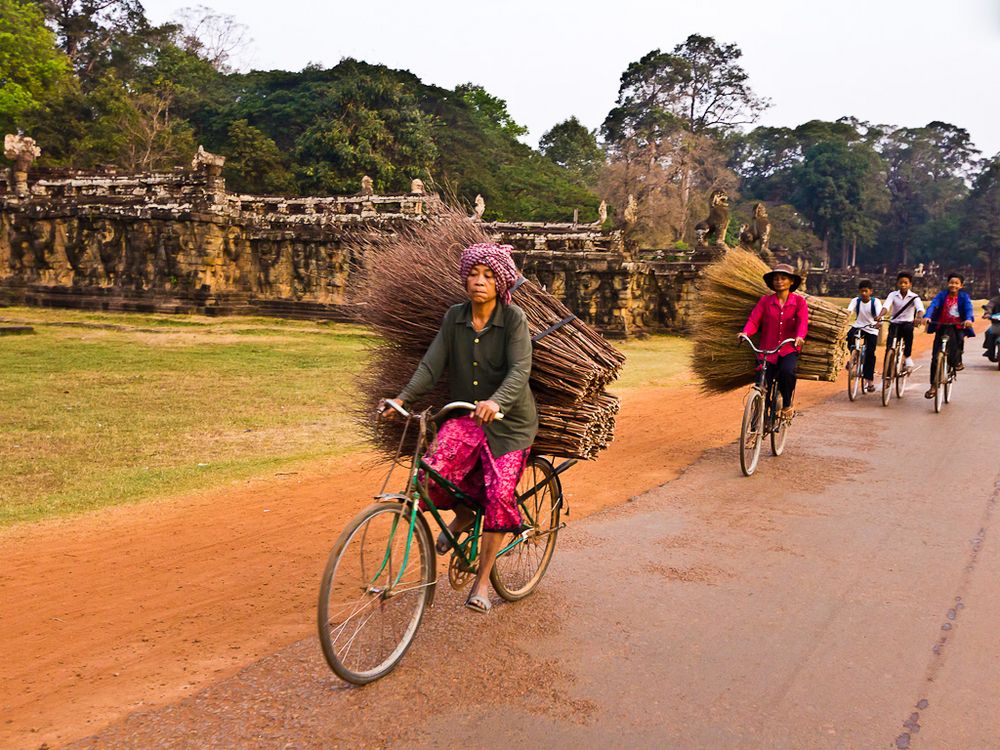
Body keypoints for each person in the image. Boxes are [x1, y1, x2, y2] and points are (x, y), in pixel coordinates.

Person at [382, 243, 538, 614]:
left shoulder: (513, 318)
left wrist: (497, 401)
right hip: (466, 417)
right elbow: (431, 365)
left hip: (510, 424)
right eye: (473, 273)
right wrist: (401, 400)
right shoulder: (455, 317)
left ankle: (482, 582)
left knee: (500, 493)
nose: (478, 281)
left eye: (487, 275)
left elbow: (520, 369)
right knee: (431, 473)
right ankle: (465, 514)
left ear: (500, 282)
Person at [739, 263, 808, 419]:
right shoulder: (765, 301)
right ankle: (758, 418)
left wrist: (799, 336)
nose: (779, 281)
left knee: (787, 372)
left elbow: (803, 322)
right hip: (766, 351)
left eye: (783, 278)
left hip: (788, 349)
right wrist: (745, 333)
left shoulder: (799, 302)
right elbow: (754, 321)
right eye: (776, 278)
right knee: (761, 383)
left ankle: (787, 404)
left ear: (791, 282)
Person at [922, 272, 975, 399]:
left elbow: (968, 309)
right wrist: (928, 316)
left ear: (961, 285)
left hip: (957, 326)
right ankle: (933, 386)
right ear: (947, 284)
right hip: (942, 326)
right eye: (951, 282)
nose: (953, 285)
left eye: (956, 283)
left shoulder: (964, 297)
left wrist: (968, 319)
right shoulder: (942, 295)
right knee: (935, 358)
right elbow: (933, 305)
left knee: (958, 344)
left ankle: (957, 361)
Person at [880, 271, 924, 372]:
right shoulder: (892, 295)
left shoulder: (914, 297)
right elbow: (886, 306)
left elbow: (920, 309)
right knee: (889, 348)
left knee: (908, 335)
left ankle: (907, 357)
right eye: (901, 283)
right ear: (897, 283)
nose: (903, 285)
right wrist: (880, 315)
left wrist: (918, 317)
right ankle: (886, 376)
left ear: (910, 284)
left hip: (907, 324)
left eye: (905, 283)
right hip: (895, 323)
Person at [845, 279, 883, 393]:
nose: (863, 294)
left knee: (870, 354)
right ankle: (854, 355)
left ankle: (869, 381)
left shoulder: (875, 302)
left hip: (871, 329)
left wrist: (879, 322)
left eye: (866, 291)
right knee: (850, 335)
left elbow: (879, 315)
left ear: (871, 291)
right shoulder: (855, 301)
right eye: (861, 291)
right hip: (858, 325)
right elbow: (849, 311)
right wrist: (845, 316)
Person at [982, 287, 1000, 362]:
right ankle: (990, 350)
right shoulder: (995, 300)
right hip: (997, 325)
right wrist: (987, 313)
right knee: (989, 332)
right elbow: (989, 307)